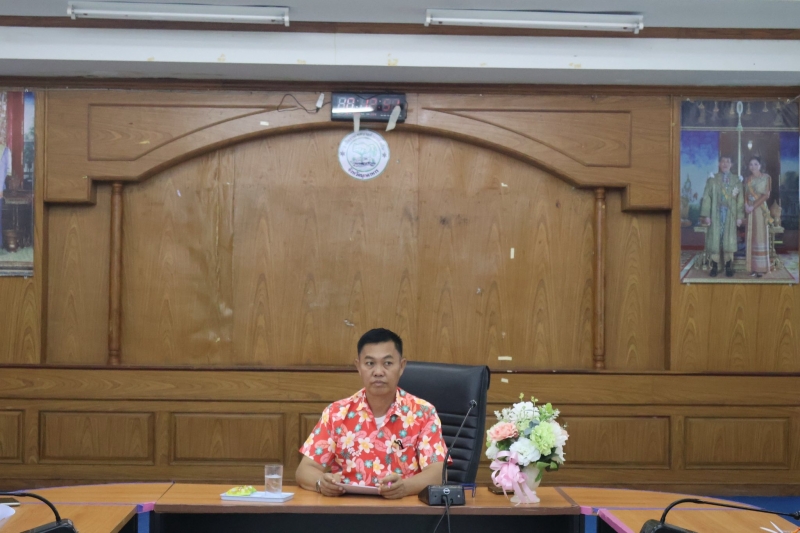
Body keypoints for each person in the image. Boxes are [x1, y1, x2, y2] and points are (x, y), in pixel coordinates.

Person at [296, 328, 448, 499]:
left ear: (401, 366)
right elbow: (305, 469)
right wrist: (321, 483)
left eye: (387, 363)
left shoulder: (423, 413)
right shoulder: (336, 413)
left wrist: (404, 487)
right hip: (347, 509)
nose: (378, 372)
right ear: (358, 367)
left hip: (401, 508)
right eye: (370, 363)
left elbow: (438, 473)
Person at [699, 155, 744, 277]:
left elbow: (740, 200)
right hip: (716, 213)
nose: (725, 164)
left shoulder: (736, 180)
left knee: (729, 239)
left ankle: (728, 266)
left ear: (731, 164)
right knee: (715, 240)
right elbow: (707, 197)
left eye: (728, 161)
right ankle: (715, 266)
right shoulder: (712, 179)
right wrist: (706, 215)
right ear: (719, 164)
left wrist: (739, 217)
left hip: (730, 214)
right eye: (723, 161)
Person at [744, 156, 772, 277]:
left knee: (760, 236)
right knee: (751, 237)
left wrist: (753, 206)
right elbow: (745, 194)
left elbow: (766, 195)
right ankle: (753, 267)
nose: (753, 166)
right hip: (750, 211)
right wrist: (746, 205)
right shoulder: (747, 179)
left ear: (760, 165)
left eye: (755, 164)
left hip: (760, 210)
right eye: (751, 164)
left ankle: (761, 268)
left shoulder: (766, 178)